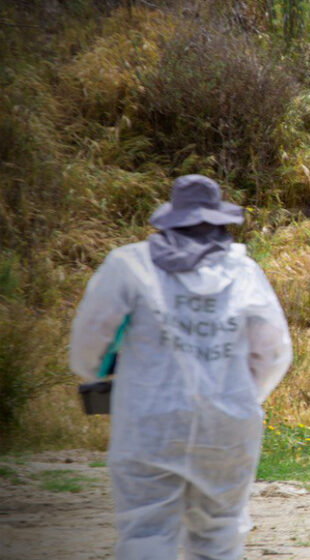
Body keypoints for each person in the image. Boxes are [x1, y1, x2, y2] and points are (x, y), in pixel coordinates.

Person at [69, 174, 292, 559]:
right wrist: (237, 395)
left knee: (146, 532)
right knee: (220, 534)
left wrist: (94, 373)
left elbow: (90, 341)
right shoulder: (243, 272)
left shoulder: (130, 265)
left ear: (170, 220)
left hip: (148, 422)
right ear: (220, 222)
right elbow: (272, 353)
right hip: (227, 427)